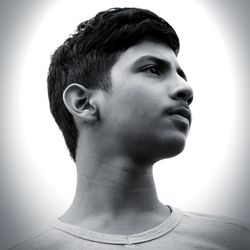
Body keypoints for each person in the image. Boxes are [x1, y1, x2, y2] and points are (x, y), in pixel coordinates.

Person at [10, 7, 250, 250]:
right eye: (153, 70)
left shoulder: (234, 241)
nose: (186, 90)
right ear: (82, 103)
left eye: (181, 75)